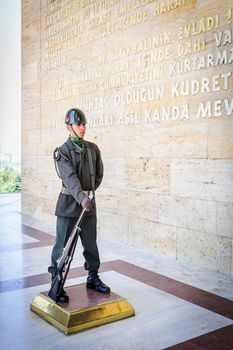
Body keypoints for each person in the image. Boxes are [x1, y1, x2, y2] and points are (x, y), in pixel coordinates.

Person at [48, 108, 110, 302]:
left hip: (88, 206)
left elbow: (98, 175)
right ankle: (56, 280)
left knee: (91, 244)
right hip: (68, 205)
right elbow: (70, 179)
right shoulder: (62, 152)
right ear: (68, 127)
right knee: (62, 246)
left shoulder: (93, 149)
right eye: (78, 125)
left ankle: (93, 276)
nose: (82, 128)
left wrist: (89, 196)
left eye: (84, 124)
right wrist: (82, 197)